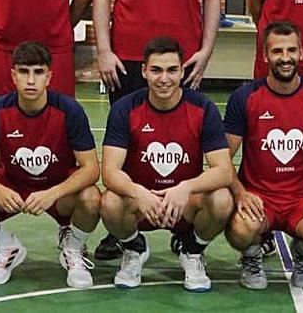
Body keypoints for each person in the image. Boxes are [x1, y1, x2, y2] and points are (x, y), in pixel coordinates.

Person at [90, 0, 221, 261]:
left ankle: (185, 223)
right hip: (127, 61)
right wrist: (104, 50)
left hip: (180, 63)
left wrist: (206, 49)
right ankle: (124, 229)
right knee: (129, 148)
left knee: (182, 144)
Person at [0, 41, 101, 289]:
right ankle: (7, 247)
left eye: (38, 72)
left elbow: (91, 169)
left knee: (92, 198)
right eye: (24, 72)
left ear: (49, 76)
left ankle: (73, 250)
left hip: (56, 189)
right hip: (13, 186)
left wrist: (51, 193)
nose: (31, 80)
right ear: (13, 75)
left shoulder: (69, 110)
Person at [99, 36, 234, 292]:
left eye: (172, 70)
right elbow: (109, 172)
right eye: (156, 70)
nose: (164, 78)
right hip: (142, 204)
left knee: (222, 200)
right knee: (109, 201)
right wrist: (138, 192)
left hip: (184, 205)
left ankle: (192, 252)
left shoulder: (203, 108)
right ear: (144, 71)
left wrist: (185, 188)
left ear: (182, 71)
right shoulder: (125, 108)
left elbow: (224, 171)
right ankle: (134, 249)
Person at [224, 21, 303, 291]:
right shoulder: (245, 97)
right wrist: (240, 193)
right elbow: (222, 157)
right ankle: (251, 254)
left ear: (302, 53)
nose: (285, 58)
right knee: (241, 230)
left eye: (291, 50)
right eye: (277, 51)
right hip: (258, 197)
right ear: (265, 56)